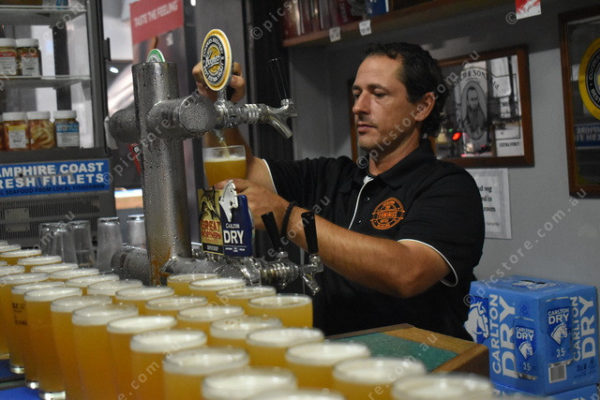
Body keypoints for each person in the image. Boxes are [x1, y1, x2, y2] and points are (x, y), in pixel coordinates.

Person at [193, 42, 484, 339]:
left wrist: (288, 217)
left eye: (378, 94)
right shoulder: (334, 175)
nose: (359, 107)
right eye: (357, 94)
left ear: (422, 106)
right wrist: (216, 105)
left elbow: (407, 272)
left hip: (423, 363)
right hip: (336, 358)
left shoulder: (449, 187)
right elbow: (240, 176)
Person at [461, 85, 490, 154]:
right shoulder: (465, 116)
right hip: (470, 146)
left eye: (476, 99)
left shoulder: (483, 113)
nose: (475, 102)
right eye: (472, 99)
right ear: (467, 101)